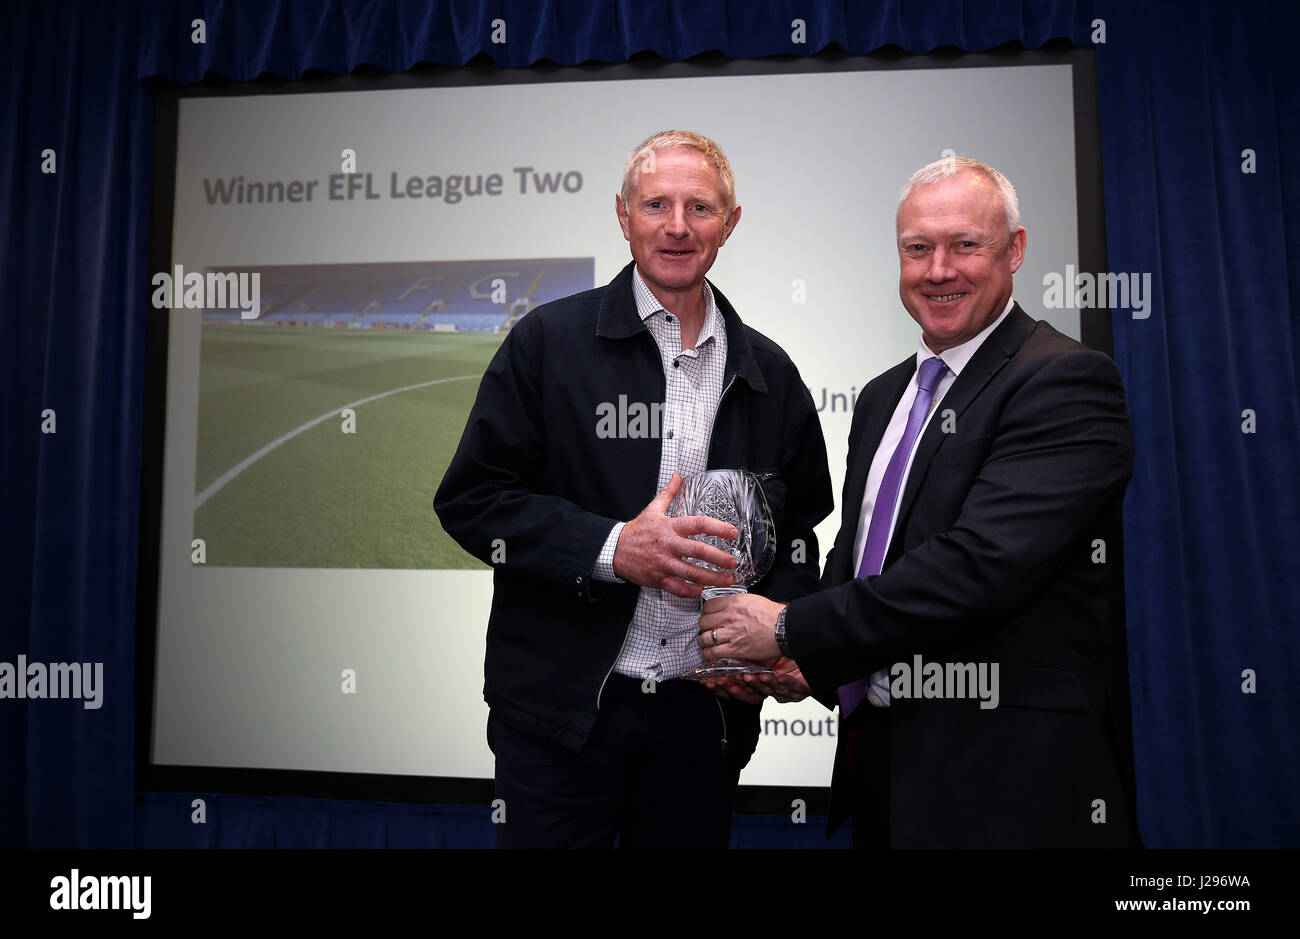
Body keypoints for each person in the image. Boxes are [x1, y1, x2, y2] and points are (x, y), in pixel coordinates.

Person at [699, 156, 1140, 848]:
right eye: (918, 248)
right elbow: (863, 561)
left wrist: (790, 627)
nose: (939, 270)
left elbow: (975, 570)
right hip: (885, 779)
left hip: (1013, 787)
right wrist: (809, 662)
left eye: (966, 244)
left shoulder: (1065, 380)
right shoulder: (884, 396)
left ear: (1015, 250)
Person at [434, 130, 833, 848]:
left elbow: (800, 533)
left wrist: (776, 627)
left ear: (730, 224)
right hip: (561, 724)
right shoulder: (547, 343)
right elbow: (473, 500)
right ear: (624, 215)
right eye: (656, 203)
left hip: (701, 721)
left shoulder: (771, 372)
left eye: (700, 208)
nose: (677, 225)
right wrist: (616, 549)